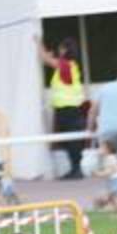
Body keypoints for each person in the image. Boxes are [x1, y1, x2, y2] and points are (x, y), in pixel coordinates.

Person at [36, 37, 86, 180]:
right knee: (69, 141)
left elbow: (45, 59)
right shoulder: (69, 66)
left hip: (68, 110)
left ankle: (76, 170)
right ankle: (75, 169)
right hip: (68, 109)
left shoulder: (66, 65)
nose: (59, 50)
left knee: (71, 141)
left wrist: (38, 42)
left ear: (65, 49)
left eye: (61, 48)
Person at [91, 139, 117, 214]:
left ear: (108, 149)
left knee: (114, 197)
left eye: (101, 148)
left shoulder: (111, 158)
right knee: (113, 198)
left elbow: (109, 172)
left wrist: (98, 174)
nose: (99, 150)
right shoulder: (107, 158)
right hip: (113, 181)